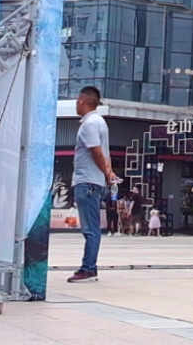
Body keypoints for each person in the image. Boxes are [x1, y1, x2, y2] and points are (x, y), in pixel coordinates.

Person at [68, 85, 116, 284]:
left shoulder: (90, 124)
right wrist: (108, 172)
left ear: (82, 101)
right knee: (92, 228)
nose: (76, 105)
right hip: (93, 181)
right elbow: (104, 153)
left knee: (90, 229)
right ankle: (89, 268)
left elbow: (96, 151)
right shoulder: (100, 122)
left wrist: (107, 172)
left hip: (87, 181)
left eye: (77, 101)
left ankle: (88, 269)